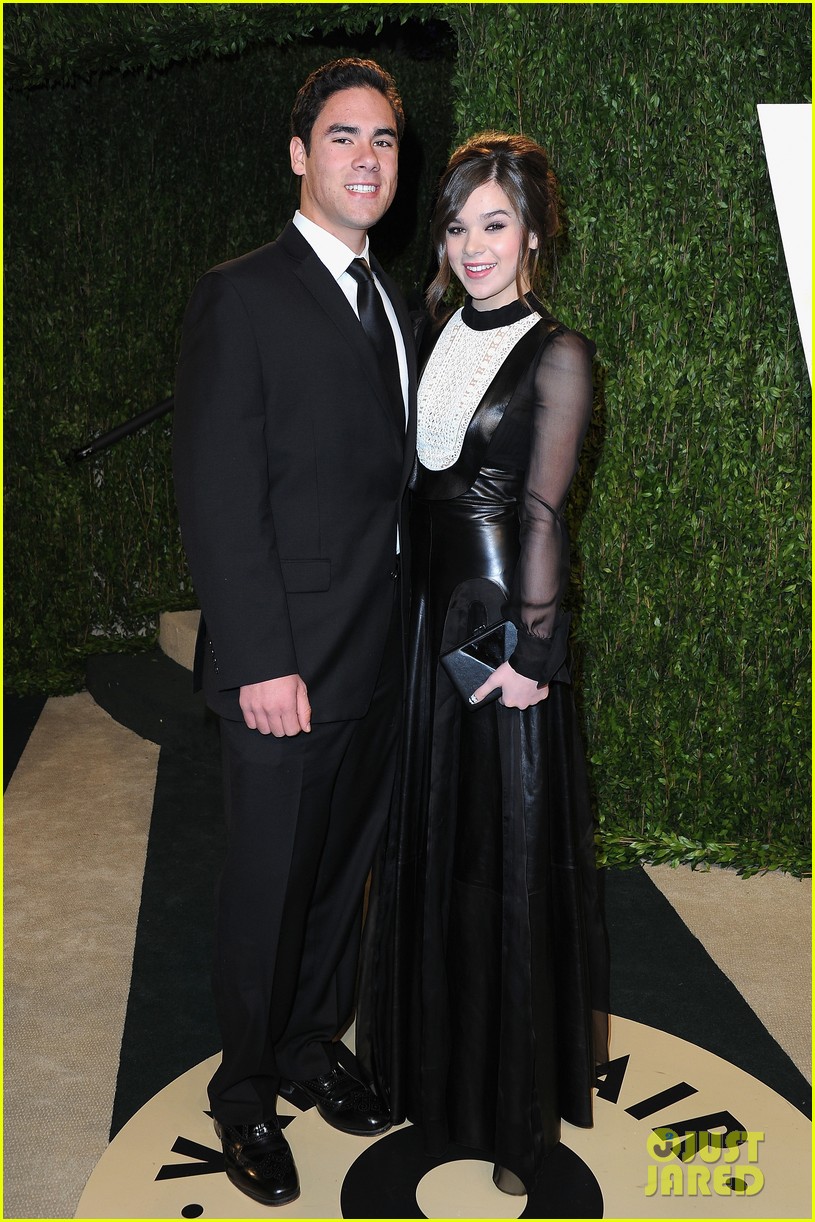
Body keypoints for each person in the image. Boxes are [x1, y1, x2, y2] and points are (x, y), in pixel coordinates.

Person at [172, 58, 416, 1208]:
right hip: (286, 664)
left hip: (378, 655)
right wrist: (261, 657)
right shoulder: (241, 294)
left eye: (383, 140)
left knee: (335, 880)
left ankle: (313, 1045)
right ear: (297, 155)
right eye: (342, 137)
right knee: (268, 888)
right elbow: (218, 495)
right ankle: (245, 1093)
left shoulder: (396, 301)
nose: (365, 158)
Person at [357, 131, 609, 1194]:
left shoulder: (558, 353)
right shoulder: (431, 329)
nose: (471, 245)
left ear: (533, 235)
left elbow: (543, 513)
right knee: (430, 848)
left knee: (503, 866)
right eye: (457, 225)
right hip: (426, 627)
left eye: (494, 224)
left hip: (499, 636)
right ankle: (434, 1079)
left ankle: (514, 1124)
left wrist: (535, 655)